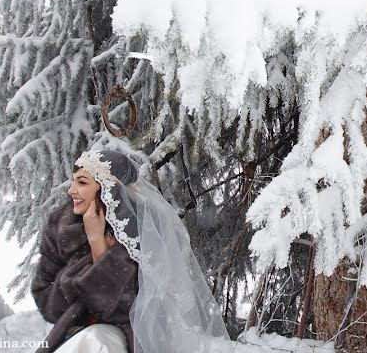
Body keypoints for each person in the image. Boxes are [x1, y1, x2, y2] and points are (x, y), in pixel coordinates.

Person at [31, 149, 230, 353]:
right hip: (70, 334)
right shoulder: (61, 225)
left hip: (130, 339)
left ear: (108, 187)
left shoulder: (144, 230)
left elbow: (131, 310)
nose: (71, 190)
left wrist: (98, 246)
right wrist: (80, 279)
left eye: (82, 182)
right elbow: (45, 299)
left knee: (98, 341)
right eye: (74, 181)